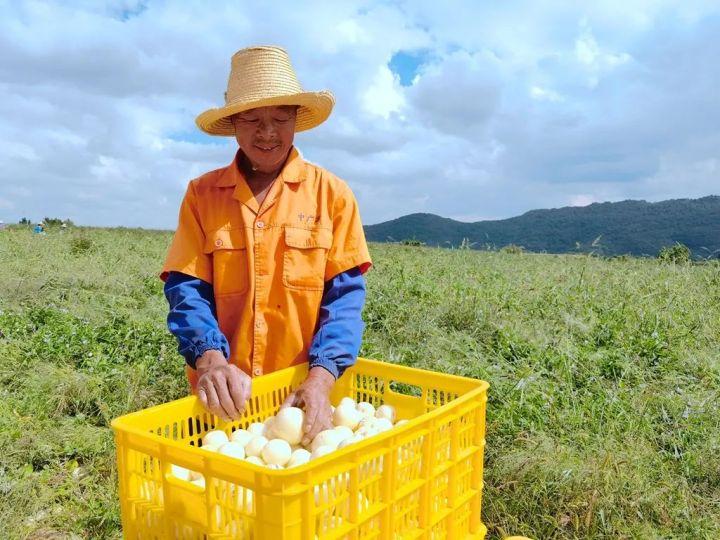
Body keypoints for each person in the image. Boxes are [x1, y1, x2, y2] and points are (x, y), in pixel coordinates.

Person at [161, 46, 372, 445]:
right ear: (234, 124)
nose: (268, 132)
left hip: (302, 396)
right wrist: (211, 361)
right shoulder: (202, 195)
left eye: (280, 118)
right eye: (253, 119)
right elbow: (186, 288)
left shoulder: (333, 195)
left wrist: (321, 378)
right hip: (221, 396)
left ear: (296, 120)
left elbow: (344, 300)